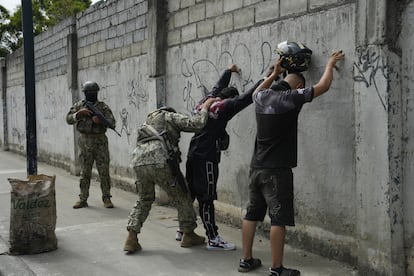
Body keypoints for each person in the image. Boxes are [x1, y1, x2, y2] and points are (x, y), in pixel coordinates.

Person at [238, 50, 345, 276]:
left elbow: (257, 90)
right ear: (297, 86)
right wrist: (330, 63)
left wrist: (274, 73)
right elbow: (323, 86)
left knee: (252, 214)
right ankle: (277, 269)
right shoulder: (291, 98)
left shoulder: (262, 96)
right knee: (278, 218)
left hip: (256, 168)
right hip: (277, 172)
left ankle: (246, 260)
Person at [180, 64, 268, 251]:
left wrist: (228, 71)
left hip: (193, 153)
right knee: (207, 197)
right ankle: (213, 238)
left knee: (190, 194)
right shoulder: (225, 107)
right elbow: (248, 97)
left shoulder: (206, 101)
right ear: (230, 99)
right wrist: (269, 76)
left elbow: (216, 87)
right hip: (207, 158)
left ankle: (184, 230)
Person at [123, 97, 218, 254]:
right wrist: (205, 108)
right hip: (160, 161)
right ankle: (188, 234)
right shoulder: (169, 116)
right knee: (182, 195)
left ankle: (131, 238)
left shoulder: (147, 123)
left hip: (138, 161)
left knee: (144, 199)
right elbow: (197, 124)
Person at [66, 81, 116, 209]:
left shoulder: (103, 107)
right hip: (84, 141)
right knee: (85, 172)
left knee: (103, 171)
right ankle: (83, 198)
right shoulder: (79, 106)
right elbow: (68, 119)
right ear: (85, 93)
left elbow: (112, 123)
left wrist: (100, 121)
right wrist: (79, 114)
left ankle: (107, 198)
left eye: (93, 93)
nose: (91, 95)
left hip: (100, 141)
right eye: (88, 93)